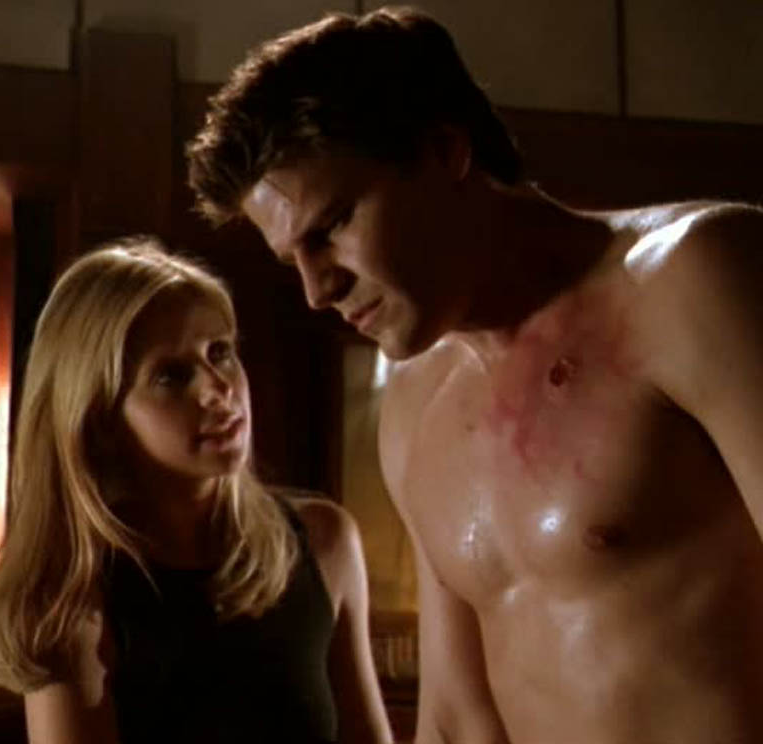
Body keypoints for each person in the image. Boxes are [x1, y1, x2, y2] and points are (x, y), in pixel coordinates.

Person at [186, 6, 763, 744]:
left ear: (445, 149)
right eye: (291, 257)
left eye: (331, 228)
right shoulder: (415, 399)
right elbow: (457, 719)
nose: (316, 289)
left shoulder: (692, 279)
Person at [0, 238, 393, 744]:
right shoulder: (70, 599)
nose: (218, 389)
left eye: (221, 352)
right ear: (101, 419)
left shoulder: (324, 543)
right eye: (172, 376)